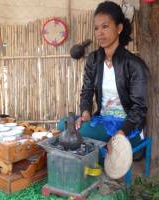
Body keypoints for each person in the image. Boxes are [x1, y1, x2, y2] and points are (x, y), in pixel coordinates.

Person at [57, 1, 149, 156]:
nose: (99, 33)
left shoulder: (134, 65)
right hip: (102, 120)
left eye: (105, 26)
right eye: (96, 28)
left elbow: (139, 109)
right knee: (63, 124)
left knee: (74, 132)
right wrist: (85, 114)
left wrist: (121, 132)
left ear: (119, 28)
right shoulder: (93, 59)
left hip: (127, 127)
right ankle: (101, 148)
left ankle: (110, 147)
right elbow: (86, 91)